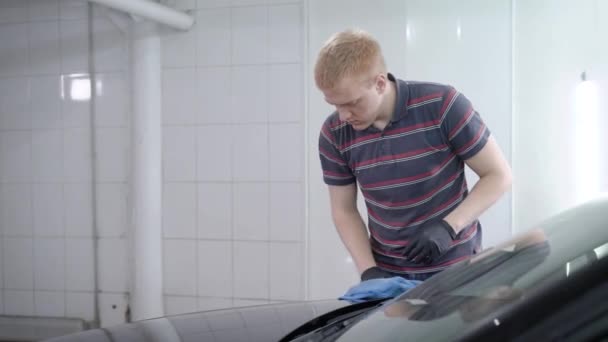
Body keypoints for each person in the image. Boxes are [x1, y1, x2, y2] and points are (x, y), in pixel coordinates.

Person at [315, 29, 513, 283]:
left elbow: (499, 175)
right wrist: (369, 270)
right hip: (389, 278)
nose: (343, 116)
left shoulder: (443, 105)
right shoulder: (334, 133)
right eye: (335, 105)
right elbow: (344, 211)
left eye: (352, 103)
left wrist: (449, 226)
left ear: (380, 83)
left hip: (456, 270)